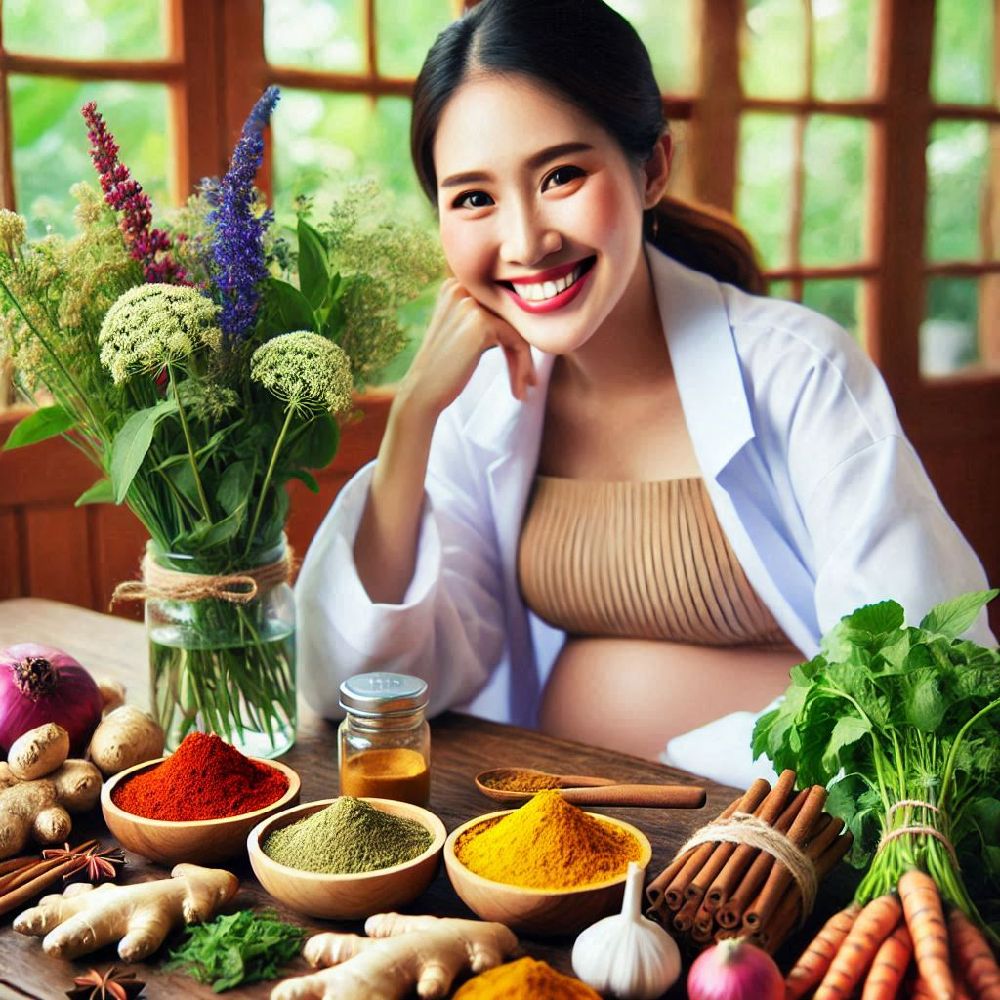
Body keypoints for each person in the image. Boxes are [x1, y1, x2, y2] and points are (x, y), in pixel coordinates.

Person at [295, 0, 993, 787]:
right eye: (474, 197)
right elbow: (369, 687)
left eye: (561, 175)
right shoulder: (482, 400)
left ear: (652, 167)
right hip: (561, 850)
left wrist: (675, 765)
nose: (526, 242)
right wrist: (415, 416)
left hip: (772, 842)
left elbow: (930, 683)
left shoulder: (800, 371)